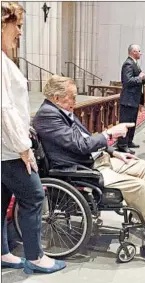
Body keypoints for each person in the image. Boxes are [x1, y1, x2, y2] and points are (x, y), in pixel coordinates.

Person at [33, 75, 145, 250]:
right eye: (73, 96)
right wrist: (110, 134)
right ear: (57, 98)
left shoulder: (60, 110)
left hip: (94, 159)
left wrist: (114, 152)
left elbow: (85, 138)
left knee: (142, 166)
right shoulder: (48, 115)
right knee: (138, 185)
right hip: (80, 169)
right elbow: (80, 144)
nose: (75, 101)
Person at [1, 2, 65, 274]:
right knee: (35, 197)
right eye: (19, 26)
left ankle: (3, 252)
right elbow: (4, 110)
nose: (20, 33)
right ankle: (36, 257)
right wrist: (23, 147)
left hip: (5, 148)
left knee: (2, 198)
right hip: (9, 150)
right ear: (3, 24)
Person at [117, 44, 145, 155]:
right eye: (139, 51)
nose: (140, 53)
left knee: (132, 122)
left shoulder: (135, 63)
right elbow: (127, 81)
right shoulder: (128, 64)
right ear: (133, 51)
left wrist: (141, 78)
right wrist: (140, 77)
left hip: (133, 99)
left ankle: (129, 141)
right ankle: (122, 145)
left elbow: (139, 80)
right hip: (128, 99)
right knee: (125, 122)